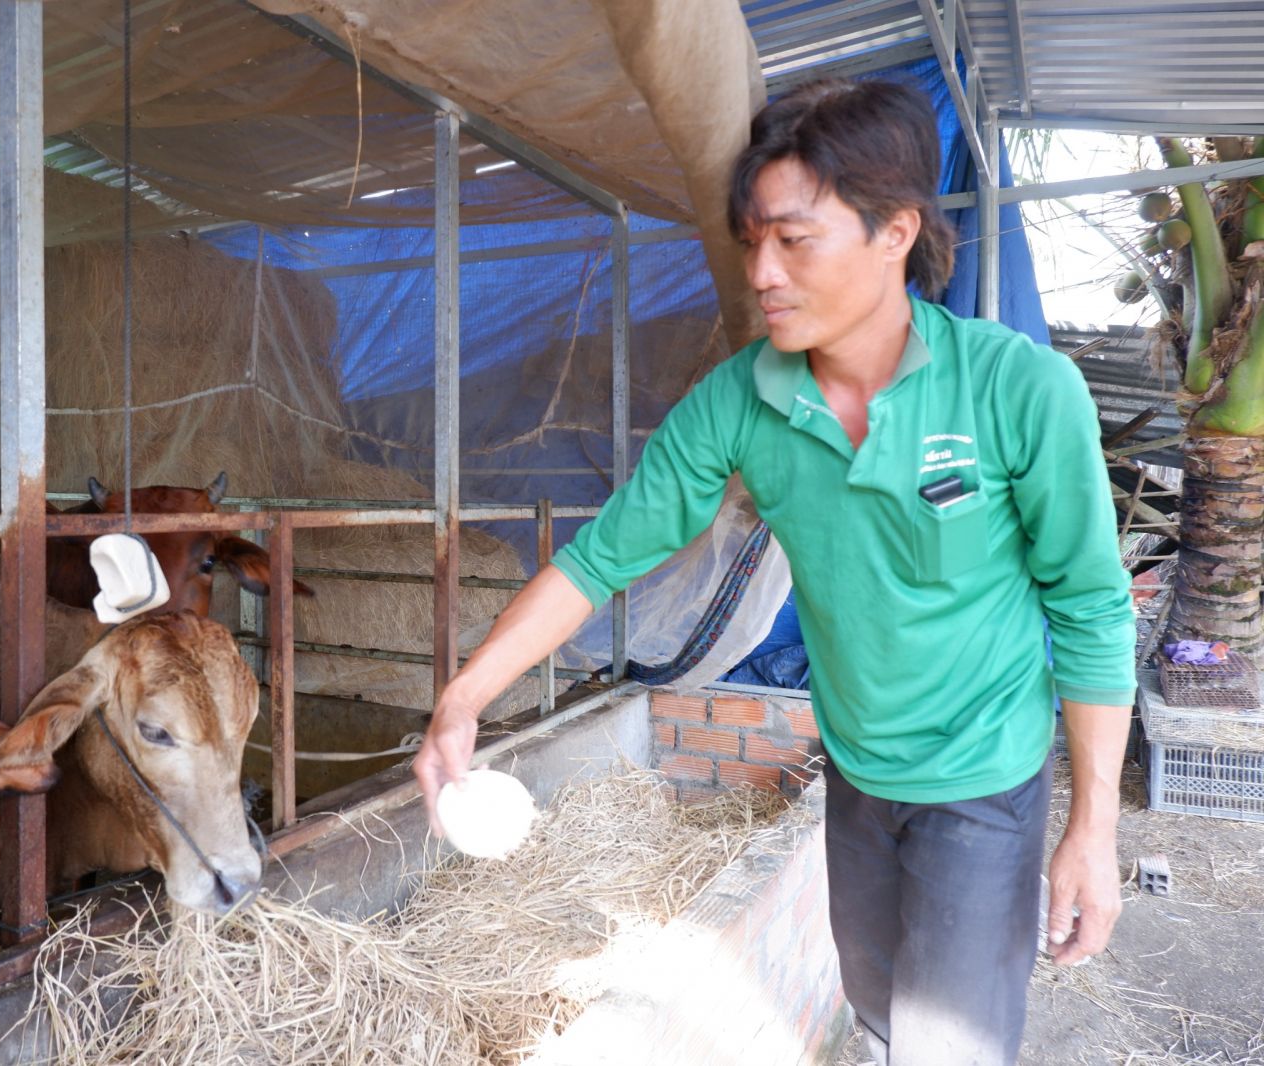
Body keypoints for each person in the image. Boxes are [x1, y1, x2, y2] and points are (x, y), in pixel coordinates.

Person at [414, 77, 1135, 1066]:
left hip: (982, 780)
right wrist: (466, 695)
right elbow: (598, 560)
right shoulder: (740, 403)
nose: (761, 270)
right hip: (854, 772)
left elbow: (1092, 611)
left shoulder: (1017, 389)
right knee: (877, 1016)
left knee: (949, 1050)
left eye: (794, 239)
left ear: (893, 233)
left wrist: (1091, 828)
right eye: (752, 238)